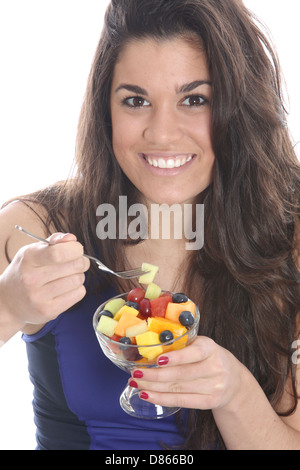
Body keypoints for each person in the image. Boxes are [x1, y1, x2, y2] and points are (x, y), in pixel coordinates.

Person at [0, 0, 299, 450]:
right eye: (136, 100)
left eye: (195, 99)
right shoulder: (36, 224)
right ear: (107, 110)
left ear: (240, 110)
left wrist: (234, 393)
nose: (161, 134)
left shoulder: (292, 238)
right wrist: (7, 307)